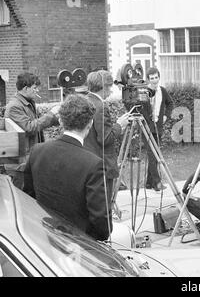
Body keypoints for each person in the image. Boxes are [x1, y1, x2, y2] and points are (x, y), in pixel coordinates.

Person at [23, 95, 112, 241]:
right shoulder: (93, 164)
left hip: (43, 237)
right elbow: (101, 222)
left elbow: (28, 196)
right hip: (79, 245)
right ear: (90, 124)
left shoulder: (37, 151)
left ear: (60, 121)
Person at [4, 73, 60, 189]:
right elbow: (29, 128)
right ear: (25, 88)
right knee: (23, 202)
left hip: (28, 162)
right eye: (35, 88)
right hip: (20, 166)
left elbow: (38, 123)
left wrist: (58, 119)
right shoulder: (14, 106)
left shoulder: (27, 102)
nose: (37, 90)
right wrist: (51, 114)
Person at [84, 70, 129, 201]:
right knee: (104, 205)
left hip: (89, 160)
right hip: (102, 164)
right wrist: (120, 125)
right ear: (103, 87)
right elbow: (105, 138)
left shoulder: (85, 100)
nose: (110, 92)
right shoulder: (100, 106)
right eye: (109, 87)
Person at [141, 67, 174, 191]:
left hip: (158, 128)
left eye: (156, 77)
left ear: (159, 77)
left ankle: (149, 183)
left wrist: (166, 115)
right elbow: (141, 108)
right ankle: (157, 182)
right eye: (151, 78)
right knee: (152, 154)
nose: (154, 80)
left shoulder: (162, 91)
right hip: (146, 128)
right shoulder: (144, 92)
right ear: (148, 79)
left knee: (154, 155)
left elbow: (170, 103)